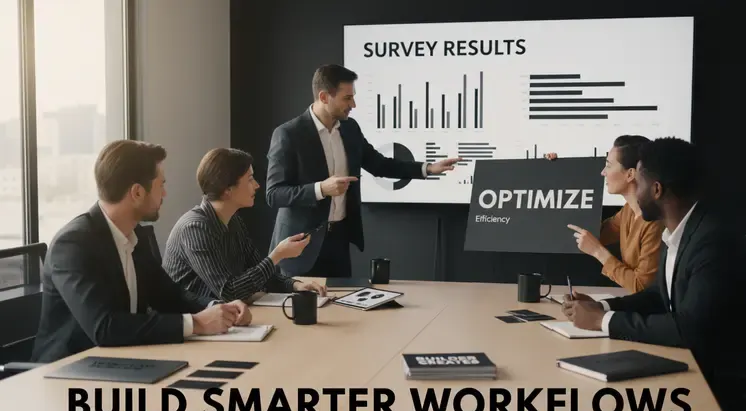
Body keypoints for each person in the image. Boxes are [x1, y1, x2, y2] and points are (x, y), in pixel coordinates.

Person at [561, 137, 746, 411]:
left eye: (640, 179)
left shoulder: (713, 243)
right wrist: (603, 305)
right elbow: (660, 297)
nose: (635, 189)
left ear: (657, 190)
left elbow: (690, 329)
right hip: (697, 364)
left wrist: (603, 322)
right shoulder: (680, 231)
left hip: (724, 382)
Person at [31, 140, 252, 363]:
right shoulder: (73, 244)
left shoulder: (135, 235)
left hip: (122, 361)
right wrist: (197, 323)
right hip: (67, 372)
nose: (165, 193)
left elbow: (169, 294)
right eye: (160, 185)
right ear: (137, 192)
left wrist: (218, 308)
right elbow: (105, 327)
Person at [266, 64, 461, 277]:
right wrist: (320, 189)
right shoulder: (288, 134)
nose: (353, 104)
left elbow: (379, 164)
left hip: (339, 242)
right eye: (347, 98)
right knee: (303, 310)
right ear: (324, 97)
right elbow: (274, 194)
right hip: (300, 248)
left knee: (342, 309)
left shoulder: (350, 129)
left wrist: (428, 168)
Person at [163, 148, 326, 303]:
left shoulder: (233, 220)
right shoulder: (195, 228)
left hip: (222, 315)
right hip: (193, 321)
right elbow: (229, 292)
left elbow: (259, 271)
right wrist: (277, 255)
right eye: (249, 179)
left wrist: (295, 285)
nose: (257, 185)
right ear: (227, 189)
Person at [545, 136, 664, 293]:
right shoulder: (628, 212)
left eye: (608, 166)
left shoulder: (654, 222)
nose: (603, 173)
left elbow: (641, 286)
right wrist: (558, 174)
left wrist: (598, 252)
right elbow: (590, 234)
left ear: (630, 174)